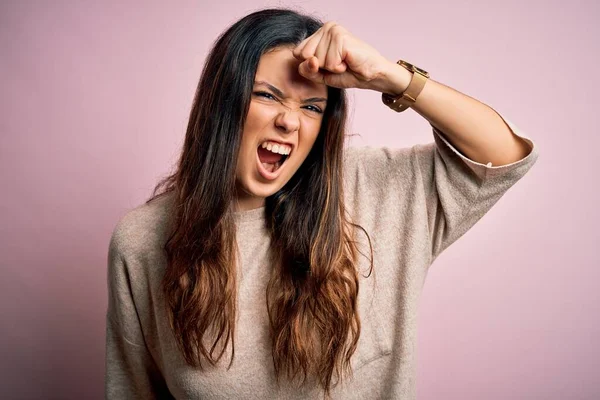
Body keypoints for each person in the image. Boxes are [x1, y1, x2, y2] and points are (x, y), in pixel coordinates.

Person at [105, 7, 539, 400]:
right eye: (267, 95)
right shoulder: (143, 241)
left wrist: (392, 77)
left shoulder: (374, 189)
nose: (289, 120)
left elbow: (504, 156)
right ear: (222, 104)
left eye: (312, 107)